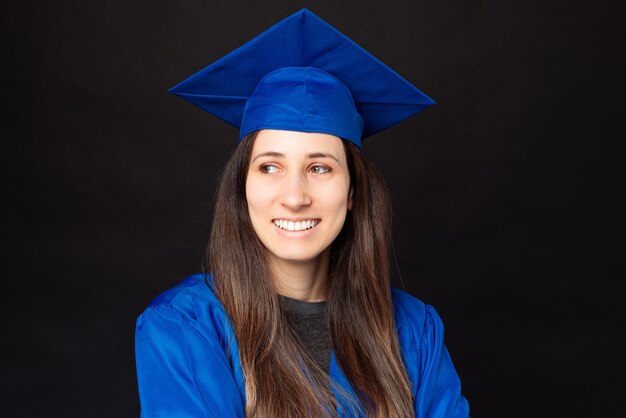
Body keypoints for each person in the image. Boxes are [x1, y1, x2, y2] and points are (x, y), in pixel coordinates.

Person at [135, 8, 470, 418]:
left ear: (352, 192)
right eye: (270, 167)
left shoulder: (413, 331)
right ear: (243, 188)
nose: (294, 197)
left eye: (320, 168)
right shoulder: (185, 328)